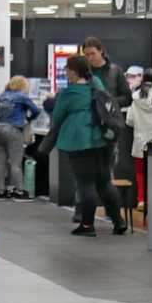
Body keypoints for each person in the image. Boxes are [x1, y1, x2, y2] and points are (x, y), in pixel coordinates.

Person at [49, 55, 126, 237]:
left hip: (80, 143)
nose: (66, 72)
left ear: (73, 71)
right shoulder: (96, 85)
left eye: (67, 69)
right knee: (104, 182)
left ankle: (87, 225)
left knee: (85, 183)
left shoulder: (68, 94)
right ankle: (119, 222)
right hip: (103, 141)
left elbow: (57, 117)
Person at [74, 37, 132, 224]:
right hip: (86, 126)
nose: (90, 57)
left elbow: (127, 97)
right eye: (86, 54)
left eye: (92, 53)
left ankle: (111, 210)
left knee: (106, 171)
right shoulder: (83, 72)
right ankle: (81, 209)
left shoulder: (115, 72)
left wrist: (109, 102)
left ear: (101, 51)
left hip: (108, 128)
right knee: (83, 172)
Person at [0, 75, 41, 201]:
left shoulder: (2, 95)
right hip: (13, 130)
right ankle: (19, 192)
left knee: (0, 162)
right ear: (22, 85)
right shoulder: (21, 96)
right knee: (15, 163)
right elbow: (36, 110)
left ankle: (1, 191)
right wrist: (29, 119)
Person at [125, 69, 152, 211]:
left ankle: (141, 200)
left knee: (140, 172)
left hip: (140, 140)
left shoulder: (136, 98)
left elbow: (129, 120)